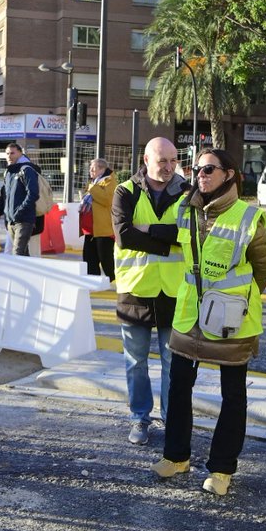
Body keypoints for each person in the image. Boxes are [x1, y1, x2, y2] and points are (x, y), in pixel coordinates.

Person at [151, 148, 266, 496]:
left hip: (233, 319)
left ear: (229, 174)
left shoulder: (248, 217)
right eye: (197, 169)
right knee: (178, 387)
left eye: (208, 169)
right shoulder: (185, 210)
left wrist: (239, 298)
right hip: (190, 314)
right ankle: (176, 457)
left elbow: (264, 268)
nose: (200, 174)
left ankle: (222, 468)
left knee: (232, 395)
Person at [113, 137, 188, 445]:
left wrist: (148, 230)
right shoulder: (125, 191)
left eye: (173, 160)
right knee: (136, 361)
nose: (168, 167)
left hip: (174, 291)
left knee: (173, 363)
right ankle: (140, 418)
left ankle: (172, 420)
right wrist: (168, 237)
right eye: (162, 161)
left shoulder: (187, 192)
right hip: (136, 290)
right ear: (146, 160)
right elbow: (124, 235)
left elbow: (190, 233)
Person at [0, 141, 41, 255]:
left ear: (20, 153)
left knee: (17, 254)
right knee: (22, 254)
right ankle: (30, 272)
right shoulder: (9, 172)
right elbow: (4, 194)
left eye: (12, 153)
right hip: (11, 221)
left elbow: (33, 193)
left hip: (23, 220)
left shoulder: (27, 169)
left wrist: (20, 211)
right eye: (7, 153)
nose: (9, 156)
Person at [81, 157, 118, 281]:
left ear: (102, 169)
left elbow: (107, 200)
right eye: (90, 169)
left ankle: (112, 280)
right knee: (89, 257)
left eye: (93, 169)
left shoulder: (110, 181)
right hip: (90, 229)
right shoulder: (96, 182)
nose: (90, 171)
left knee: (105, 257)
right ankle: (92, 279)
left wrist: (92, 188)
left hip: (103, 228)